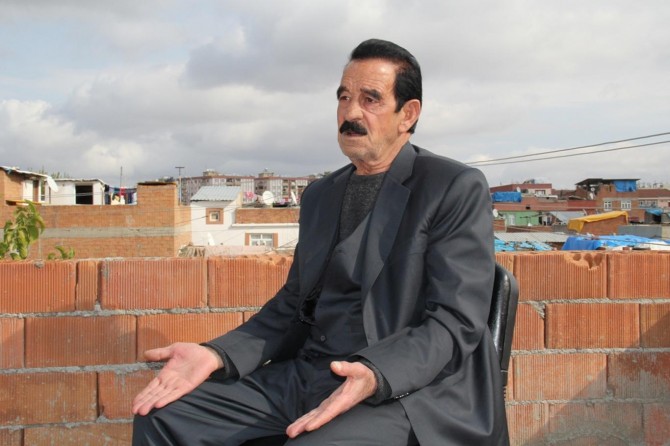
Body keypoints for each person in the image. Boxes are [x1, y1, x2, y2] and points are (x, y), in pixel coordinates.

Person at [132, 38, 508, 445]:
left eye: (370, 99)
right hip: (311, 374)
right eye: (344, 98)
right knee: (164, 416)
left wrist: (376, 373)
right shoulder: (320, 196)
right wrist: (216, 354)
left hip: (407, 392)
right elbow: (292, 305)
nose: (350, 113)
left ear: (408, 114)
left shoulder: (452, 186)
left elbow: (455, 320)